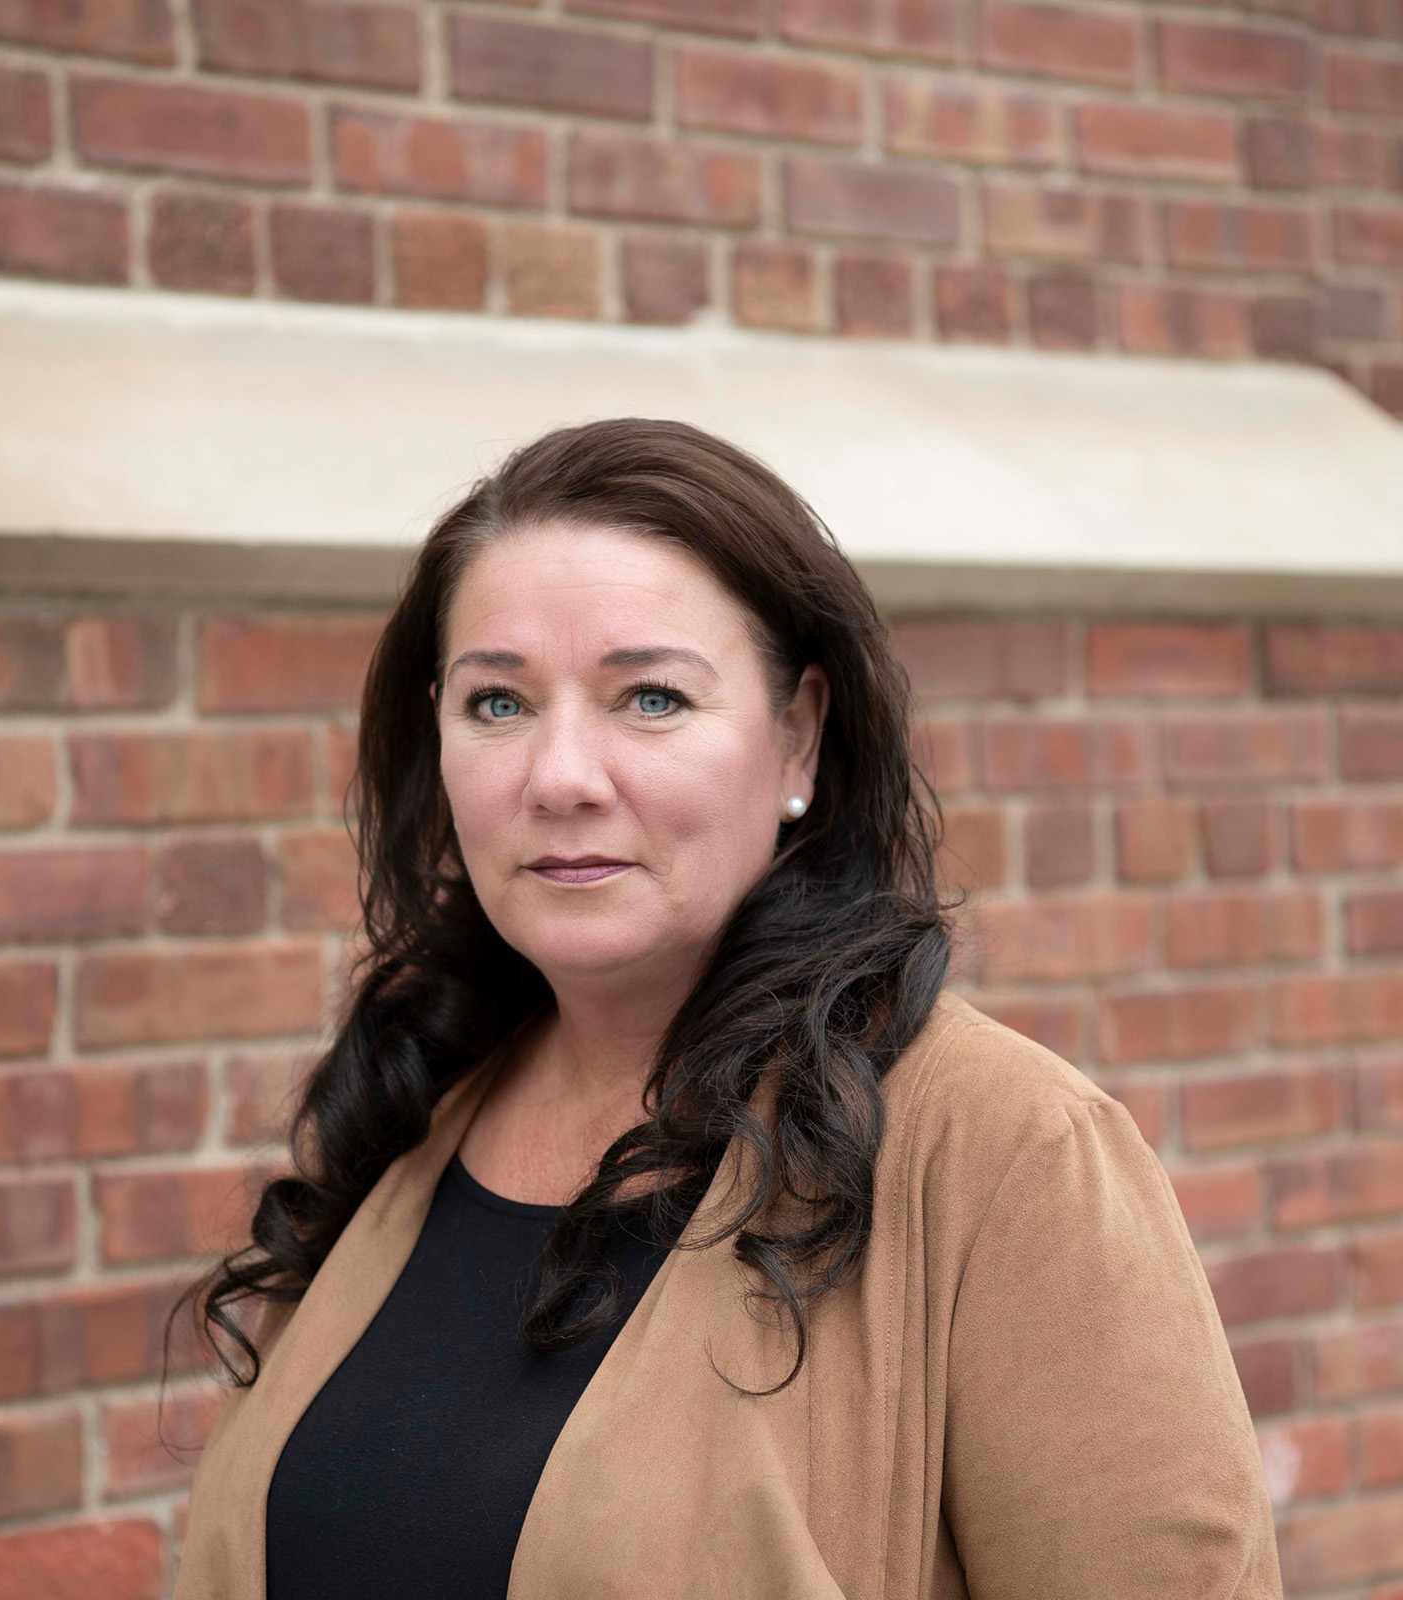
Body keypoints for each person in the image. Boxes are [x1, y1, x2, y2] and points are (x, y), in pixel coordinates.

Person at [169, 417, 1282, 1600]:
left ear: (797, 737)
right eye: (498, 704)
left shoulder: (1005, 1154)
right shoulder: (413, 1106)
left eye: (649, 697)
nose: (559, 777)